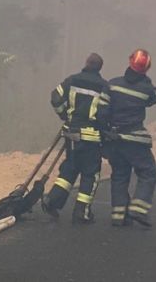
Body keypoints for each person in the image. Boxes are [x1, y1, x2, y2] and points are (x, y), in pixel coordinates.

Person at [42, 52, 110, 223]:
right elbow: (104, 113)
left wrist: (64, 115)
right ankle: (82, 211)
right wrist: (106, 132)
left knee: (70, 168)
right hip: (91, 137)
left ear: (86, 63)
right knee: (90, 173)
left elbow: (55, 97)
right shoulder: (104, 86)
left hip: (72, 133)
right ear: (100, 68)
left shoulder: (72, 80)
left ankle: (52, 201)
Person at [100, 48, 156, 227]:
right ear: (147, 68)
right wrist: (146, 79)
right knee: (148, 172)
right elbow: (155, 97)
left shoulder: (112, 84)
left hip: (114, 139)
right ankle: (138, 209)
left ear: (129, 62)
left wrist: (107, 133)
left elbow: (101, 112)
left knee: (119, 175)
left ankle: (119, 215)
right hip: (135, 139)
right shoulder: (146, 89)